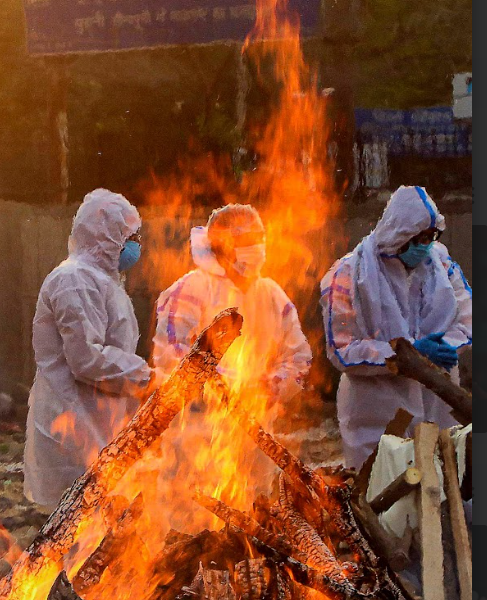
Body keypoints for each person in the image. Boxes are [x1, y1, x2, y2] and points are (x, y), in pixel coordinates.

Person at [153, 204, 311, 501]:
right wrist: (230, 388)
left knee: (252, 520)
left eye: (258, 241)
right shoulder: (189, 291)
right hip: (196, 438)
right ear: (221, 247)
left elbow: (299, 355)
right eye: (245, 243)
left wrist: (272, 386)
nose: (255, 250)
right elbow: (172, 358)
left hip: (256, 435)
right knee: (192, 526)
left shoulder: (271, 294)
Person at [320, 185, 472, 470]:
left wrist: (443, 347)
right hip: (377, 413)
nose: (425, 244)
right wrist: (407, 356)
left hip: (437, 402)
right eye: (418, 238)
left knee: (443, 490)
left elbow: (468, 318)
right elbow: (341, 350)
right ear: (399, 234)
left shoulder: (442, 264)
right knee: (382, 498)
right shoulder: (349, 274)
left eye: (431, 236)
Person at [24, 189, 153, 508]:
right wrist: (146, 378)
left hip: (96, 424)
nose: (136, 243)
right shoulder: (75, 281)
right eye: (130, 234)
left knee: (102, 536)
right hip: (71, 428)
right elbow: (88, 359)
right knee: (73, 540)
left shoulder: (104, 281)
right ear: (105, 233)